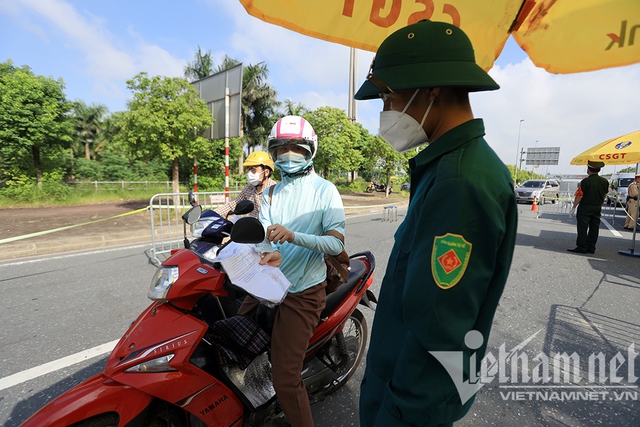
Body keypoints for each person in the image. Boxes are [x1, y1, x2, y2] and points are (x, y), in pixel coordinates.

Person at [353, 20, 518, 427]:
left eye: (390, 97)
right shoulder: (452, 167)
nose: (386, 110)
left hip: (407, 404)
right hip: (399, 388)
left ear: (431, 90)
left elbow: (439, 327)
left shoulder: (460, 181)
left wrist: (402, 413)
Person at [238, 115, 346, 427]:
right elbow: (266, 238)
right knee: (231, 334)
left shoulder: (325, 191)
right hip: (270, 282)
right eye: (280, 148)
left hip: (303, 292)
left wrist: (294, 236)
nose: (287, 153)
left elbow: (336, 244)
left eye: (294, 147)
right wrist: (260, 252)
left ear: (309, 150)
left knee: (285, 378)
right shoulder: (270, 193)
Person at [214, 150, 277, 219]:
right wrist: (211, 214)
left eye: (253, 169)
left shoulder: (275, 190)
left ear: (266, 172)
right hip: (253, 227)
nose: (250, 173)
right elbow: (233, 204)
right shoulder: (249, 189)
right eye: (248, 170)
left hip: (270, 228)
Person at [568, 160, 609, 253]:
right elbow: (604, 195)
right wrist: (600, 204)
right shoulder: (604, 181)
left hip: (585, 207)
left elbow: (579, 196)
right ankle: (591, 247)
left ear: (589, 169)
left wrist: (574, 207)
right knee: (594, 228)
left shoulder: (585, 181)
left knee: (582, 227)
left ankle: (582, 247)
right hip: (597, 207)